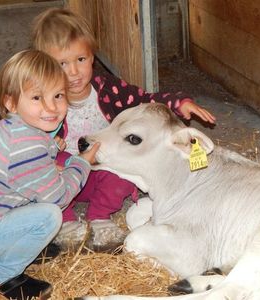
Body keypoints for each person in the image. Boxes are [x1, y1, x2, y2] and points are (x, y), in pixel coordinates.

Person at [31, 8, 216, 252]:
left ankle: (99, 217)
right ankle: (65, 222)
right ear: (45, 67)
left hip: (103, 164)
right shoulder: (44, 101)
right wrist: (49, 152)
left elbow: (146, 101)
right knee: (42, 173)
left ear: (92, 57)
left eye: (81, 60)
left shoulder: (108, 90)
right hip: (66, 171)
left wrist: (179, 103)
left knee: (127, 175)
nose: (74, 72)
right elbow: (28, 139)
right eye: (62, 64)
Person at [0, 49, 99, 299]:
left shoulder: (17, 128)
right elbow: (58, 197)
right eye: (37, 98)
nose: (51, 107)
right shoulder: (25, 145)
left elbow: (31, 173)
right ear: (10, 103)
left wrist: (53, 152)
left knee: (42, 198)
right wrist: (81, 163)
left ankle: (19, 242)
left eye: (58, 95)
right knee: (50, 215)